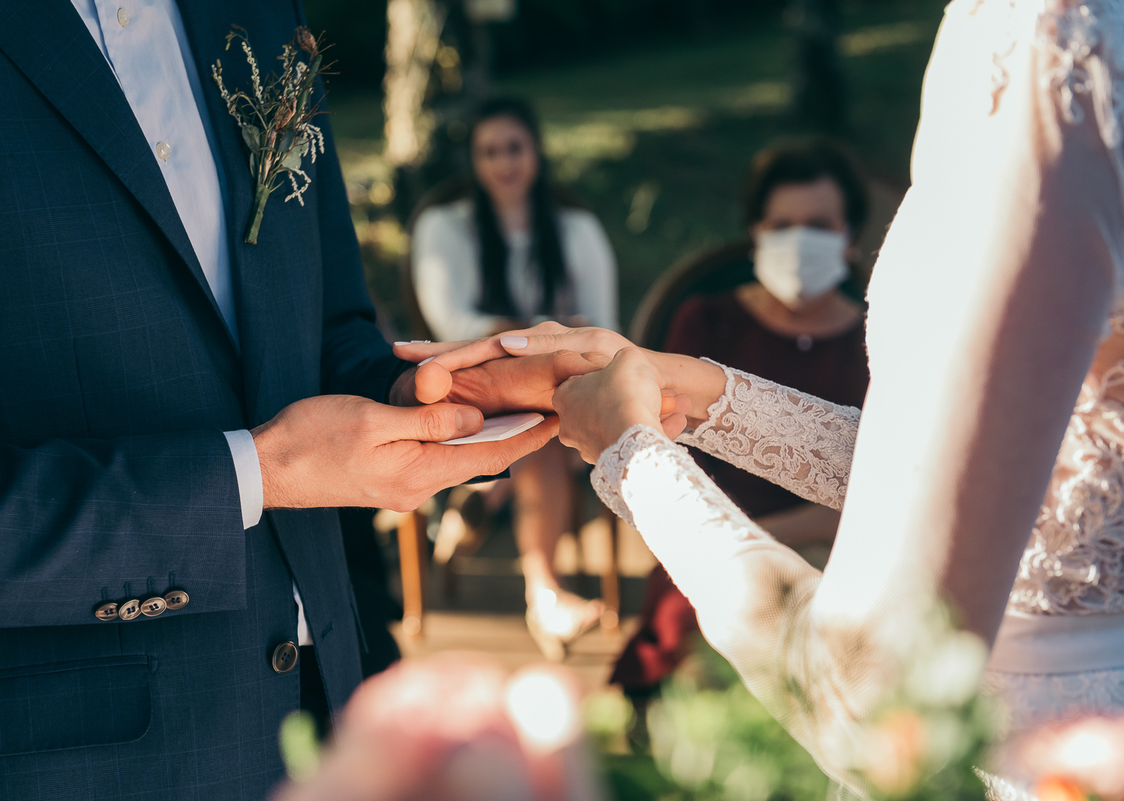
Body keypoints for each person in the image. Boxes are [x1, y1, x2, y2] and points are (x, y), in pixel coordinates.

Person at [397, 0, 1124, 794]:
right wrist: (679, 386)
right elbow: (985, 467)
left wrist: (635, 459)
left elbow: (870, 697)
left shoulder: (1062, 54)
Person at [0, 4, 589, 800]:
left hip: (317, 710)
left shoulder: (264, 13)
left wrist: (431, 395)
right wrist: (254, 474)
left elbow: (327, 325)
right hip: (58, 760)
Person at [611, 138, 871, 701]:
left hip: (843, 565)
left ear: (850, 237)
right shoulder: (706, 323)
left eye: (819, 226)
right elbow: (659, 452)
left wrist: (781, 541)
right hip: (707, 548)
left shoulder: (877, 342)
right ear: (756, 233)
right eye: (782, 226)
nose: (799, 242)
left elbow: (882, 492)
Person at [410, 97, 619, 659]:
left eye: (514, 148)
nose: (503, 163)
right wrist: (546, 336)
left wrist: (537, 341)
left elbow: (605, 327)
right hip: (475, 386)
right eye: (489, 152)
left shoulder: (576, 230)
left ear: (536, 152)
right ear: (474, 161)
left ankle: (488, 493)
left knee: (543, 422)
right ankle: (544, 592)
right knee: (543, 427)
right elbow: (453, 326)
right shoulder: (444, 227)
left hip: (563, 388)